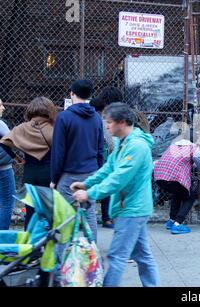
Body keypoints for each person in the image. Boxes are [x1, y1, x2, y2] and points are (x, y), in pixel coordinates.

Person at [71, 102, 160, 287]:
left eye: (109, 122)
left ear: (122, 122)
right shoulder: (123, 143)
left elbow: (119, 178)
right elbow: (109, 168)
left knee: (117, 257)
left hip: (131, 209)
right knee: (143, 256)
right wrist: (87, 184)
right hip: (131, 207)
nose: (106, 126)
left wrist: (89, 193)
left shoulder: (136, 147)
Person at [50, 79, 104, 241]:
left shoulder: (64, 117)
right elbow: (100, 149)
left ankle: (61, 257)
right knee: (89, 213)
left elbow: (58, 152)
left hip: (69, 175)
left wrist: (54, 178)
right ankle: (90, 253)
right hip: (90, 172)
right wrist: (98, 174)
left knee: (63, 215)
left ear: (71, 93)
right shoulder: (96, 117)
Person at [1, 97, 57, 229]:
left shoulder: (22, 128)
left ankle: (30, 246)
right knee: (48, 210)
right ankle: (45, 243)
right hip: (48, 173)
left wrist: (16, 157)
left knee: (30, 210)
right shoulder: (54, 128)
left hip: (29, 174)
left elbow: (4, 142)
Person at [154, 137, 200, 234]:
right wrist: (199, 152)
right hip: (175, 176)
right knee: (190, 197)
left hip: (160, 176)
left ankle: (171, 220)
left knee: (177, 192)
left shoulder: (173, 146)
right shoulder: (193, 147)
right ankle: (177, 224)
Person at [90, 86, 123, 229]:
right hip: (102, 154)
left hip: (95, 153)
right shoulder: (105, 115)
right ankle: (107, 218)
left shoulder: (95, 111)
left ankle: (106, 217)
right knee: (107, 184)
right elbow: (111, 141)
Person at [0, 98, 15, 230]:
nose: (3, 108)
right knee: (7, 202)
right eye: (0, 105)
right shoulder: (1, 124)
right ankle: (2, 236)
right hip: (3, 169)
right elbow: (13, 141)